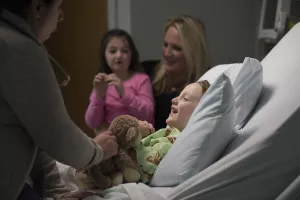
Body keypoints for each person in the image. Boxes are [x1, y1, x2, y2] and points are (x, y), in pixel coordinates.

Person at [0, 0, 118, 199]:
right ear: (38, 8)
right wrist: (98, 152)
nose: (61, 16)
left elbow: (34, 131)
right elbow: (56, 134)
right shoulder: (17, 48)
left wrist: (56, 191)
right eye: (58, 8)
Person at [136, 80, 210, 183]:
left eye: (185, 98)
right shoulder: (164, 134)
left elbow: (140, 166)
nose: (174, 100)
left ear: (200, 112)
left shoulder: (178, 144)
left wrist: (134, 136)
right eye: (178, 96)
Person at [147, 15, 211, 129]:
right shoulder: (146, 72)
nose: (167, 53)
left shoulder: (203, 87)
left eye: (176, 48)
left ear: (193, 53)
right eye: (165, 45)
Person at [85, 29, 155, 135]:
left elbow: (147, 115)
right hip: (112, 142)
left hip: (140, 139)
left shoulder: (142, 80)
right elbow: (92, 123)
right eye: (113, 51)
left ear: (131, 55)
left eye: (125, 51)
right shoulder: (102, 82)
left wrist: (124, 93)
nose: (118, 56)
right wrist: (99, 96)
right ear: (105, 55)